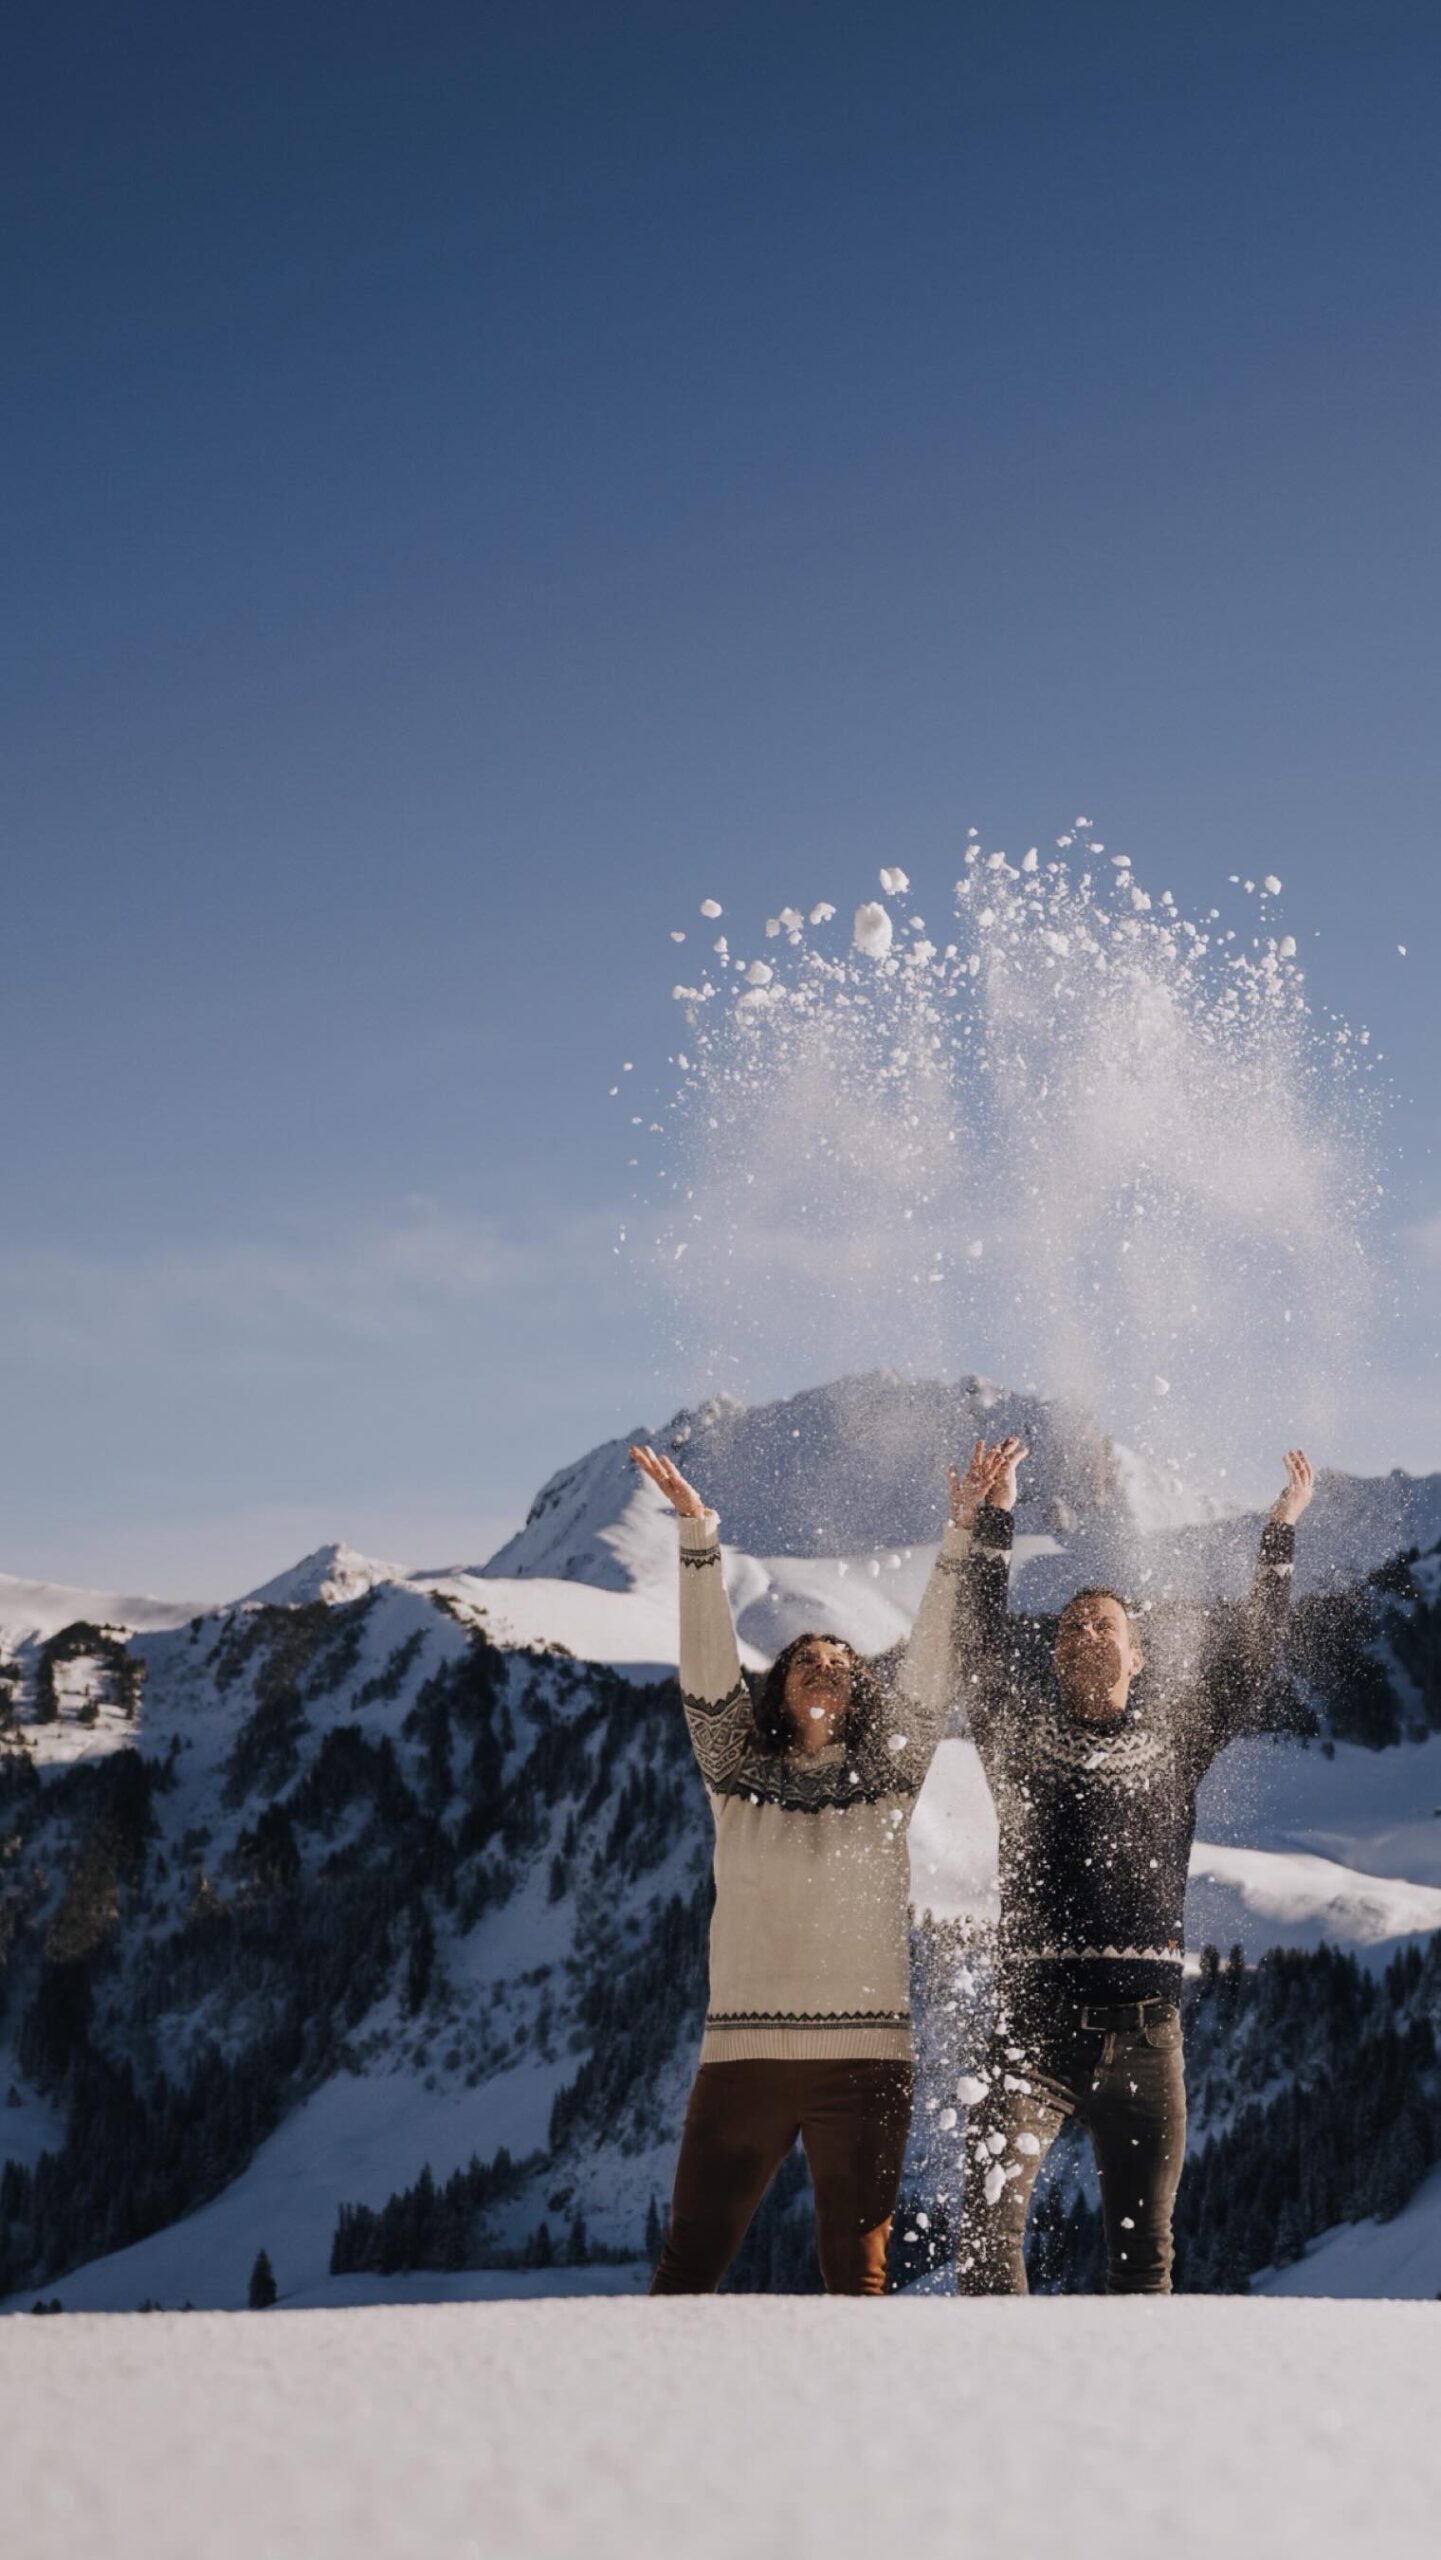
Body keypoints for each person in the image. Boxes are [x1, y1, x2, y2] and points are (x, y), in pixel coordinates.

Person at [630, 1435, 1015, 2296]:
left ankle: (861, 2431)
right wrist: (696, 1536)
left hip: (867, 2061)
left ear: (859, 1695)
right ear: (777, 1688)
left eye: (842, 1666)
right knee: (687, 2268)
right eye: (808, 1659)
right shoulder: (734, 1775)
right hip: (741, 2061)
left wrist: (959, 1534)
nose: (825, 1671)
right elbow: (705, 1671)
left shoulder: (887, 1779)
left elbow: (931, 1665)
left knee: (860, 2275)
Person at [950, 1442, 1316, 2295]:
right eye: (1071, 1627)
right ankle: (983, 2410)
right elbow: (975, 1642)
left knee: (1142, 2254)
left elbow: (1253, 1659)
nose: (1085, 1634)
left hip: (1149, 2039)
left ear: (1138, 1655)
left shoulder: (1173, 1743)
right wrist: (996, 1512)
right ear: (1053, 1656)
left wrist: (1278, 1537)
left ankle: (1129, 2423)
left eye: (1104, 1625)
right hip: (1029, 2028)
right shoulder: (1020, 1742)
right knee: (985, 2230)